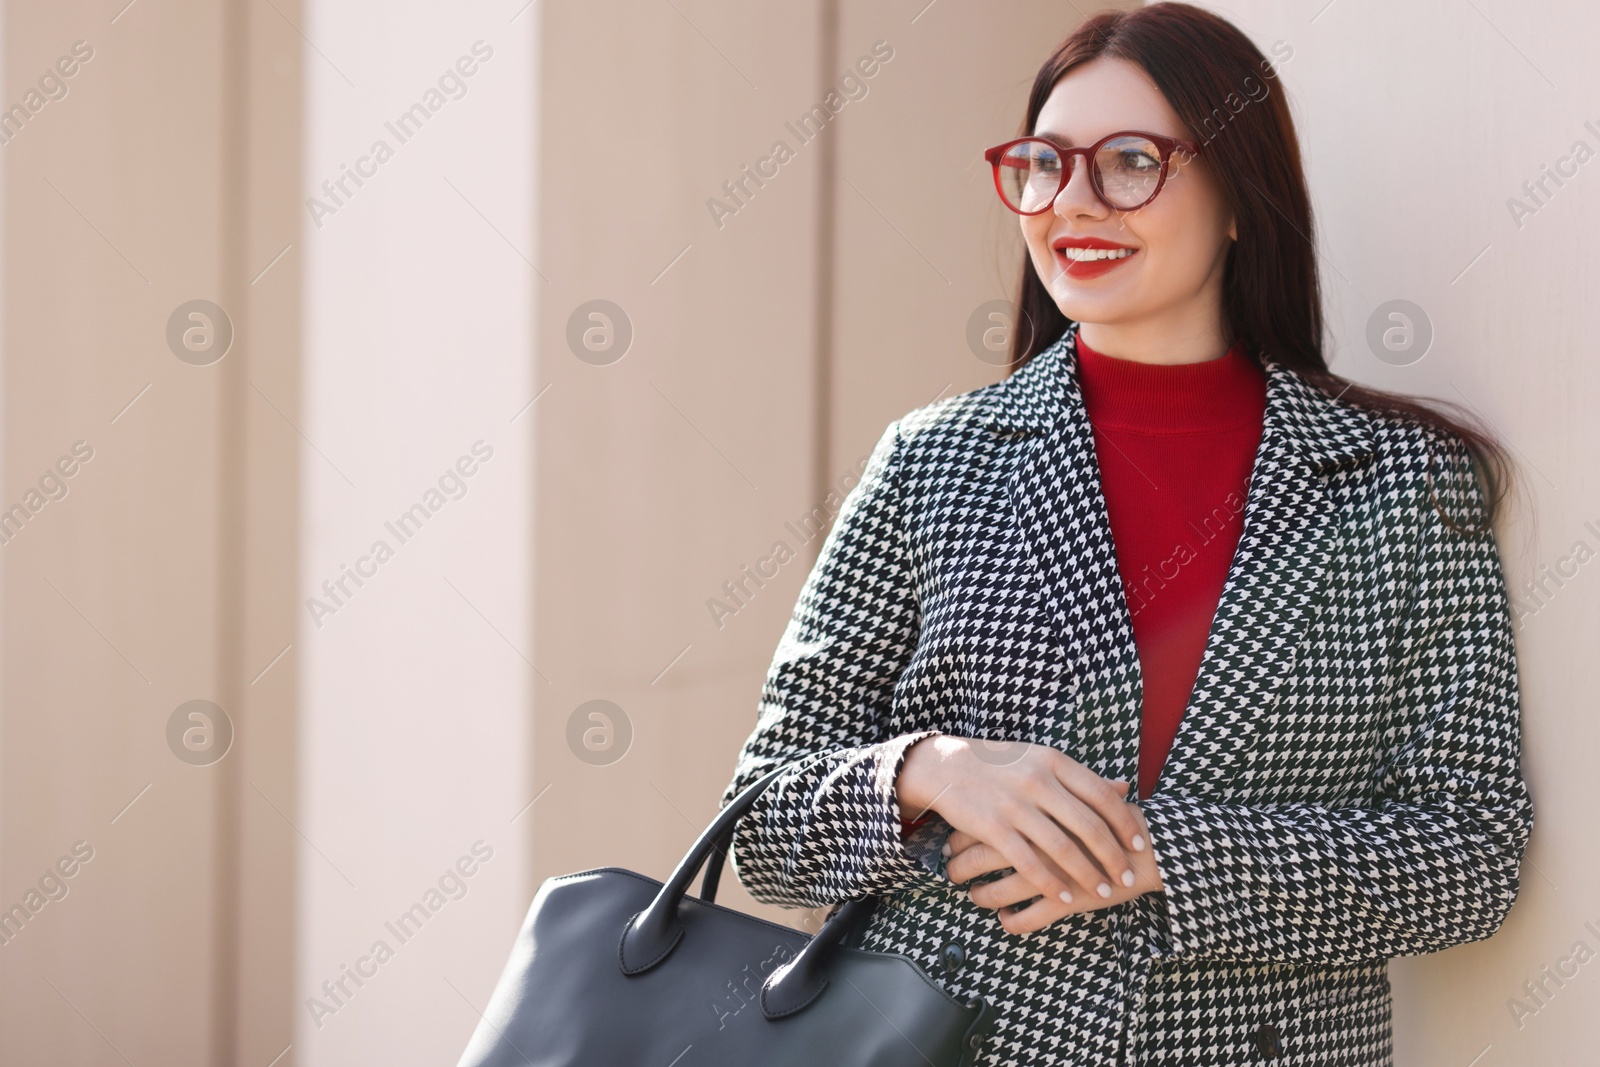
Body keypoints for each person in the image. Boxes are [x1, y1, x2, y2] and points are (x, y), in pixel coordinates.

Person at [717, 4, 1534, 1064]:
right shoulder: (933, 458)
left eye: (1131, 162)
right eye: (1043, 164)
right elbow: (760, 824)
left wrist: (1160, 853)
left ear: (1242, 196)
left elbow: (1468, 853)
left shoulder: (1403, 481)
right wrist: (927, 767)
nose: (1071, 203)